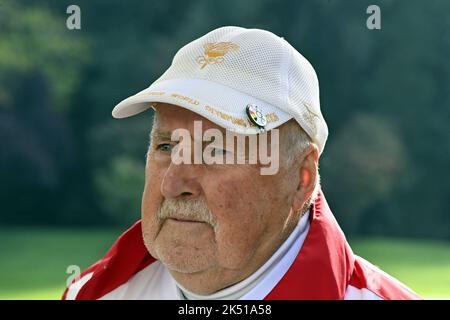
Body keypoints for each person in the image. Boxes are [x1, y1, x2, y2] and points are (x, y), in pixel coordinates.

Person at [63, 26, 420, 300]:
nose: (173, 183)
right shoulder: (91, 292)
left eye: (217, 151)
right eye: (166, 145)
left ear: (301, 178)